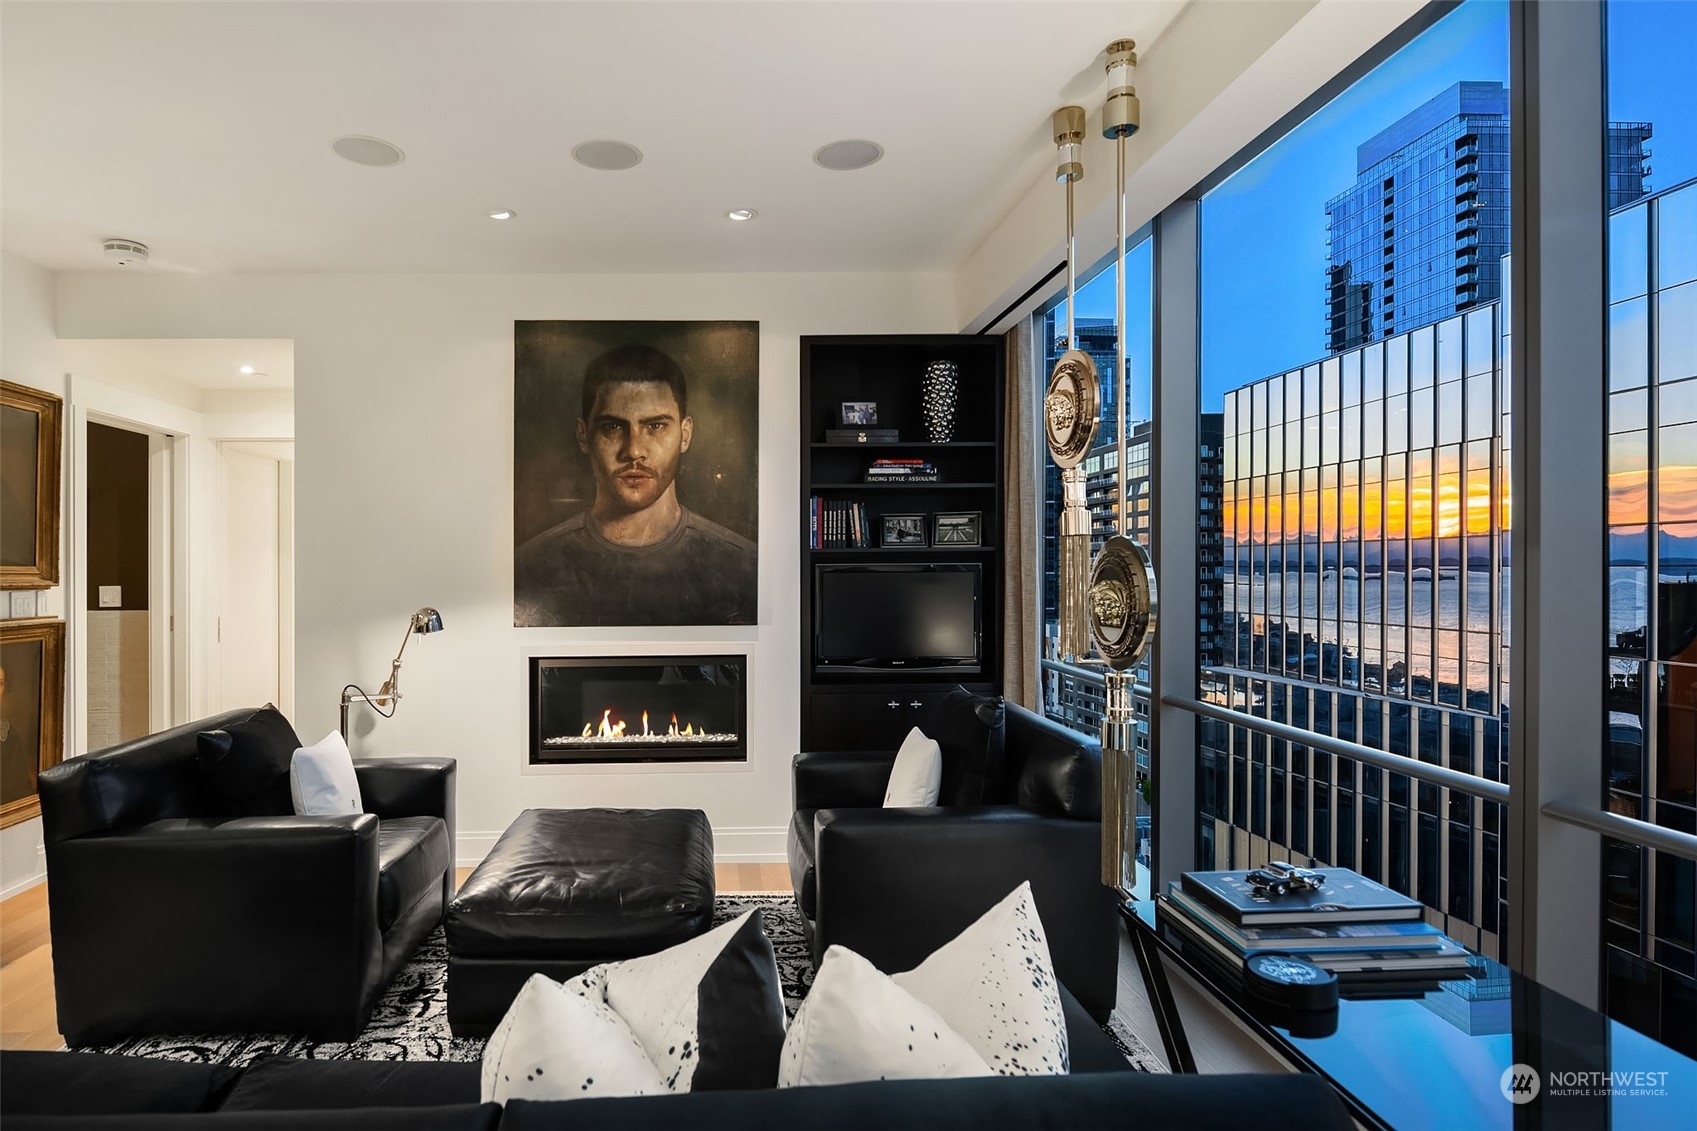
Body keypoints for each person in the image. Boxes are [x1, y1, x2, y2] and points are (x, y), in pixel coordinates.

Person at [515, 343, 756, 626]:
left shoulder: (744, 568)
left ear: (685, 434)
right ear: (583, 436)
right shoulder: (528, 566)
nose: (634, 451)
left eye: (655, 426)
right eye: (613, 427)